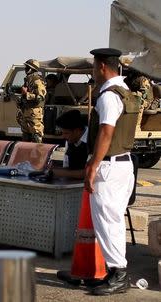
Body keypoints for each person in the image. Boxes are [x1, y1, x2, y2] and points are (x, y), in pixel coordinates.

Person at [85, 48, 140, 295]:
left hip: (108, 166)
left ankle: (118, 274)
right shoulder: (126, 93)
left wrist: (93, 166)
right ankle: (114, 272)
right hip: (123, 164)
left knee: (107, 222)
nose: (94, 71)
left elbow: (106, 132)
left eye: (95, 66)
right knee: (113, 220)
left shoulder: (108, 96)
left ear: (102, 67)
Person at [50, 110, 88, 179]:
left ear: (77, 131)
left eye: (66, 133)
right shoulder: (70, 140)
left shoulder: (92, 141)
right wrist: (51, 170)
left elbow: (89, 172)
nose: (63, 137)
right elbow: (68, 168)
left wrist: (58, 172)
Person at [16, 59, 47, 143]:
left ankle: (38, 154)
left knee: (36, 135)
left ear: (31, 69)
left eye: (27, 68)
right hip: (26, 110)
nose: (25, 69)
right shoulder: (28, 79)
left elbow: (40, 97)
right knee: (26, 135)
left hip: (34, 112)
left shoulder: (37, 81)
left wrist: (26, 94)